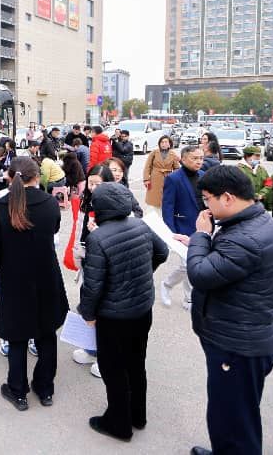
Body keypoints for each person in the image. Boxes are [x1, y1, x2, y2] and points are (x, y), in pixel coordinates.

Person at [186, 165, 273, 455]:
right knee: (226, 414)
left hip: (237, 347)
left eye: (208, 199)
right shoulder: (253, 221)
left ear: (228, 197)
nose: (206, 207)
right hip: (238, 336)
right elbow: (222, 263)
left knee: (236, 423)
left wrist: (200, 237)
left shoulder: (246, 237)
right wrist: (201, 245)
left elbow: (201, 274)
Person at [79, 182, 169, 442]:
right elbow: (162, 252)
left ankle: (119, 424)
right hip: (142, 309)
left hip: (114, 316)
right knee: (136, 363)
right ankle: (138, 415)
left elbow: (93, 285)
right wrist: (142, 274)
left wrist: (88, 314)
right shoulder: (140, 225)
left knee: (113, 369)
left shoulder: (98, 238)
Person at [0, 156, 69, 411]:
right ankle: (45, 389)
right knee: (46, 334)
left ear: (10, 177)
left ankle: (17, 390)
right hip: (46, 276)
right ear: (37, 176)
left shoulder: (1, 206)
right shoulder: (50, 203)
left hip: (15, 279)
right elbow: (54, 230)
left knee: (17, 336)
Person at [160, 145, 205, 310]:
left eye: (201, 158)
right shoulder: (174, 178)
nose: (199, 161)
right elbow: (167, 207)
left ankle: (187, 297)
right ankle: (169, 285)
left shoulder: (204, 176)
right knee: (188, 265)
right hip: (182, 227)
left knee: (194, 265)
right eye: (195, 158)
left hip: (202, 227)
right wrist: (171, 232)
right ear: (184, 159)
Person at [142, 135, 180, 217]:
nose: (164, 144)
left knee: (166, 199)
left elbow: (177, 168)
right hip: (155, 178)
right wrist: (146, 179)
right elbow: (147, 166)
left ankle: (165, 217)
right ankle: (152, 217)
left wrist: (175, 180)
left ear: (169, 144)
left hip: (168, 179)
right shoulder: (154, 153)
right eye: (162, 142)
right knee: (153, 200)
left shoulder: (173, 154)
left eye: (166, 142)